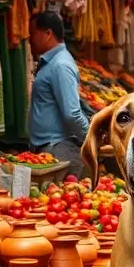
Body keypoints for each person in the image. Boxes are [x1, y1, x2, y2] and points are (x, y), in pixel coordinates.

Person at [28, 10, 91, 177]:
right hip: (51, 148)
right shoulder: (52, 63)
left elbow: (72, 114)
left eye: (33, 33)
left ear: (48, 33)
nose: (30, 39)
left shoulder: (60, 65)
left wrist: (92, 141)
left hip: (59, 150)